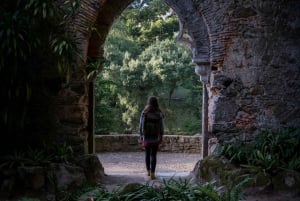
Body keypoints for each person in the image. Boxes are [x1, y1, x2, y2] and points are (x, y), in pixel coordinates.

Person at [139, 96, 164, 180]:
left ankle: (148, 171)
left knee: (147, 154)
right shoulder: (159, 113)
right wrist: (161, 135)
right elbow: (161, 126)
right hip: (156, 137)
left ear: (148, 102)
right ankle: (153, 173)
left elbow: (141, 125)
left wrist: (141, 135)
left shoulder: (144, 112)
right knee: (153, 155)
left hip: (146, 137)